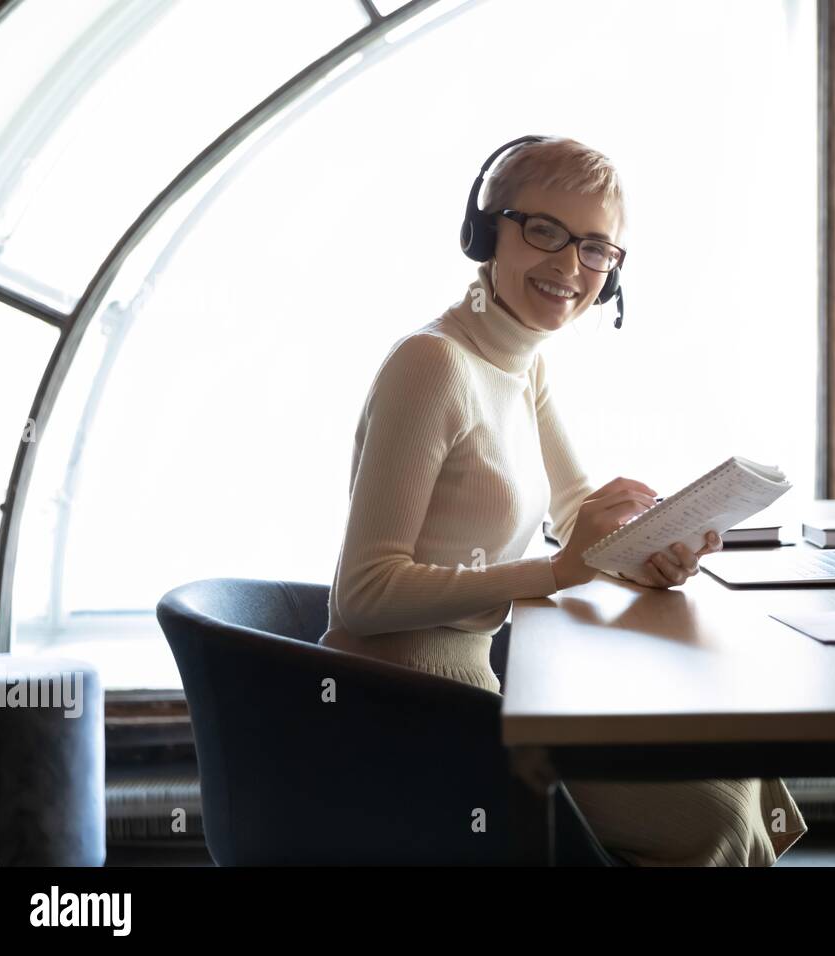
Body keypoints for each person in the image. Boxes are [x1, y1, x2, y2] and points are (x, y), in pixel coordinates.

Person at [320, 135, 807, 865]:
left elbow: (578, 515)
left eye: (594, 249)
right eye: (543, 230)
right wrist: (556, 572)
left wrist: (653, 551)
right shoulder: (432, 365)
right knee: (713, 816)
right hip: (406, 719)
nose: (568, 266)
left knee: (740, 779)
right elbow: (363, 595)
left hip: (483, 695)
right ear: (485, 233)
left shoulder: (523, 365)